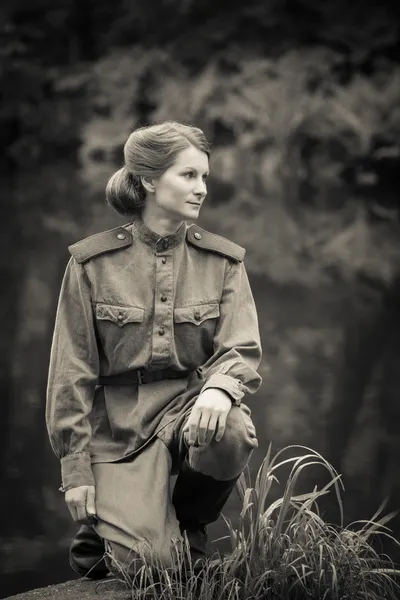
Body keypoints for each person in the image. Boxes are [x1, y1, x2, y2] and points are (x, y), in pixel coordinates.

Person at [45, 121, 263, 580]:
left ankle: (190, 523)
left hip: (187, 410)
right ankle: (105, 529)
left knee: (233, 430)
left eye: (204, 176)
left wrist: (220, 390)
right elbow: (71, 372)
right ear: (148, 181)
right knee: (153, 567)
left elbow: (239, 348)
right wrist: (76, 468)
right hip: (118, 428)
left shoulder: (222, 262)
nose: (202, 188)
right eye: (188, 176)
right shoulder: (91, 264)